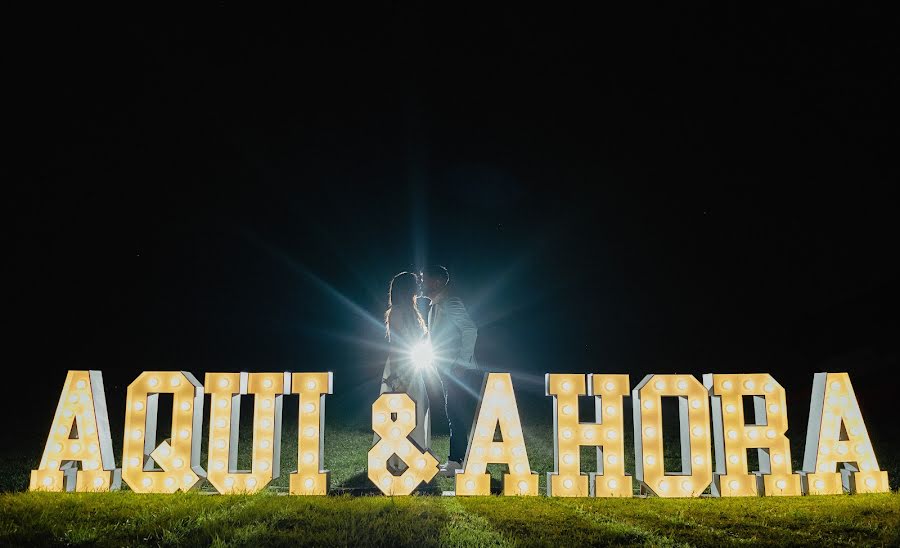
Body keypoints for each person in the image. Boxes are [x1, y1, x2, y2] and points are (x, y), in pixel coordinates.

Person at [420, 264, 481, 477]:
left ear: (436, 282)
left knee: (455, 414)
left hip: (458, 371)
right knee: (452, 412)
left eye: (424, 279)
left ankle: (457, 461)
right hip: (447, 369)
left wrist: (462, 364)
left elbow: (470, 329)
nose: (421, 283)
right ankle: (458, 459)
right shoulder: (437, 305)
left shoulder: (451, 302)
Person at [376, 271, 431, 470]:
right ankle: (398, 458)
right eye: (416, 283)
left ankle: (414, 455)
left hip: (412, 364)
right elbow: (398, 343)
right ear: (408, 288)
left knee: (416, 407)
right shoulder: (398, 311)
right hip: (401, 365)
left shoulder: (412, 310)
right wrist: (398, 375)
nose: (420, 285)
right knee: (402, 410)